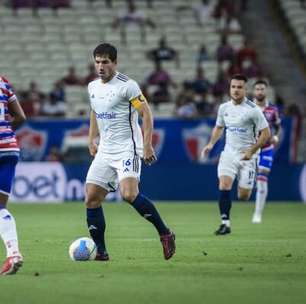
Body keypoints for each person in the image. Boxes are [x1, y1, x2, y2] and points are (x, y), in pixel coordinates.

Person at [85, 43, 175, 260]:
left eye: (105, 62)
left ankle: (165, 233)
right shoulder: (92, 87)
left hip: (128, 148)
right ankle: (102, 252)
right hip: (105, 150)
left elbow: (147, 114)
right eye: (97, 61)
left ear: (114, 63)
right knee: (91, 198)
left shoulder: (128, 86)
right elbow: (95, 113)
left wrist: (146, 145)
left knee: (129, 194)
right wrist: (91, 139)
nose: (100, 66)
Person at [201, 74, 270, 235]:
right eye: (233, 87)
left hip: (249, 156)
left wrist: (252, 151)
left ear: (245, 89)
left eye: (239, 87)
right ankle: (225, 223)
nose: (236, 90)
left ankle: (244, 188)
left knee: (244, 196)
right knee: (224, 185)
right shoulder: (224, 108)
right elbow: (219, 127)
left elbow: (265, 134)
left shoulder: (254, 110)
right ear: (229, 88)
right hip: (229, 154)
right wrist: (210, 144)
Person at [0, 76, 26, 275]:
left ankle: (14, 254)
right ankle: (13, 253)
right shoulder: (3, 82)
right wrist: (6, 131)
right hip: (10, 149)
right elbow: (21, 117)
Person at [252, 80, 281, 224]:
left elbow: (277, 126)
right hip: (251, 149)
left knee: (262, 177)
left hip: (267, 148)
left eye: (262, 89)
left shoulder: (272, 109)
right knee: (248, 182)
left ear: (266, 91)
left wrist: (275, 135)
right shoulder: (248, 108)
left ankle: (257, 214)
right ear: (253, 91)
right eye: (257, 89)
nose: (260, 92)